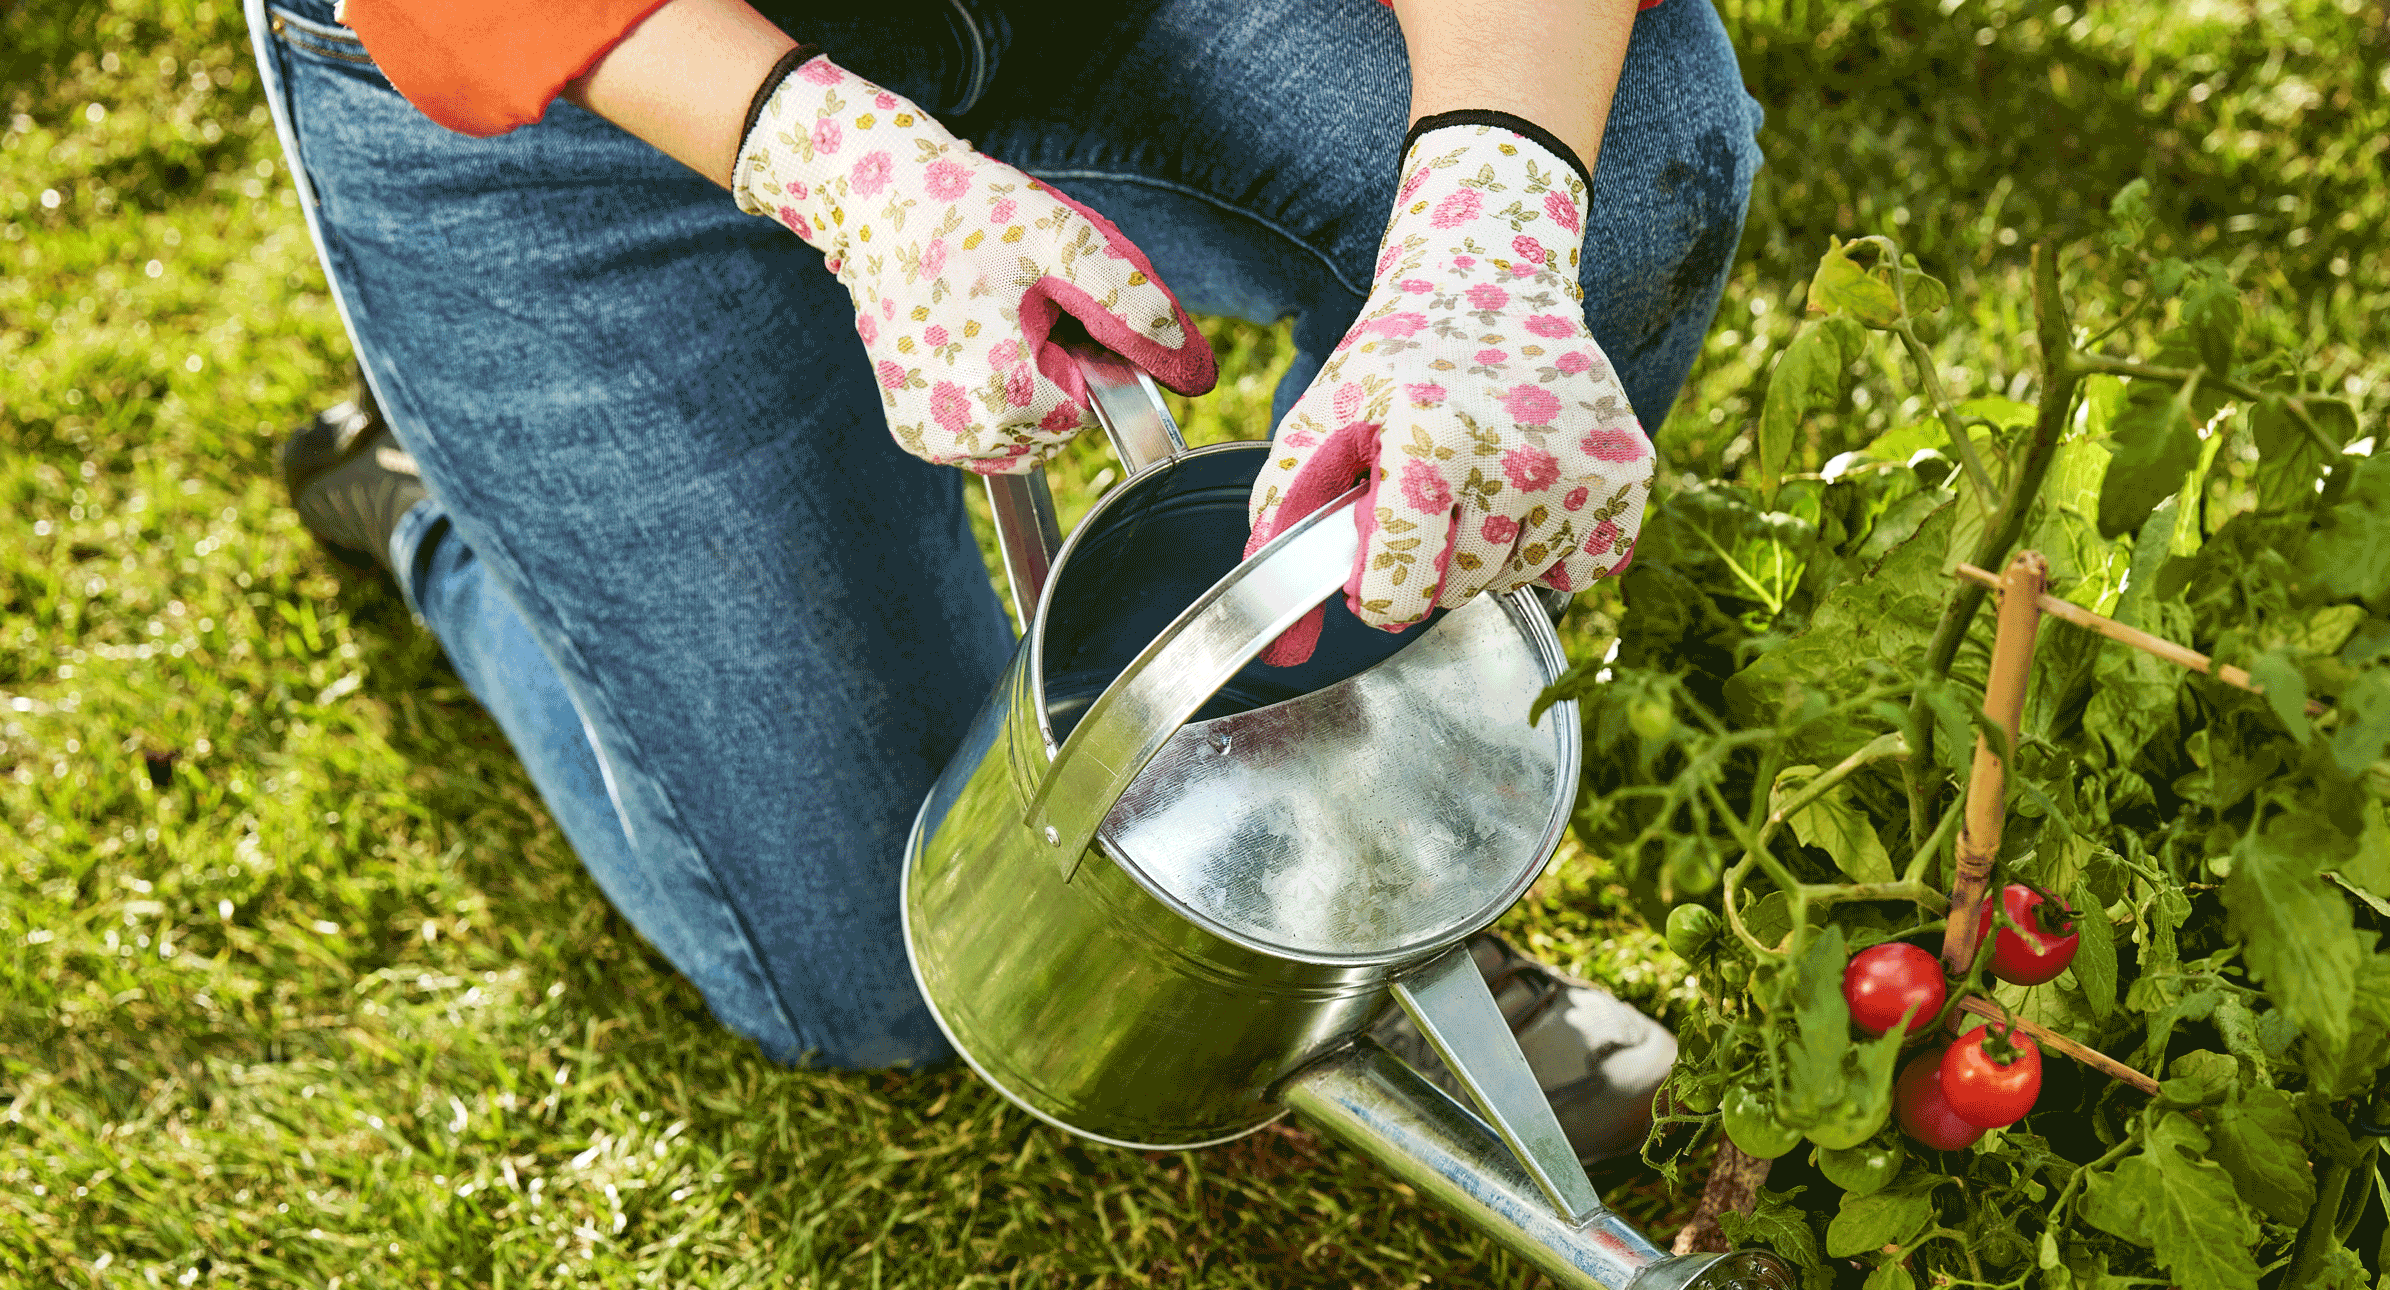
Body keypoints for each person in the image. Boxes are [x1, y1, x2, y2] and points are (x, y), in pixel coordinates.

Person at [248, 0, 1759, 1160]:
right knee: (884, 965)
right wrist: (844, 169)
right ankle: (449, 510)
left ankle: (1342, 875)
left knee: (1614, 177)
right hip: (594, 95)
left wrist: (1493, 218)